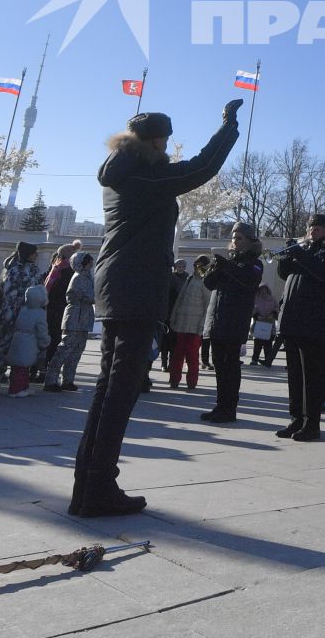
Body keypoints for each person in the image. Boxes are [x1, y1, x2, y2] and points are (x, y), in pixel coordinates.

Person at [69, 101, 242, 518]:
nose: (166, 148)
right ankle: (98, 488)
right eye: (164, 140)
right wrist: (227, 128)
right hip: (136, 285)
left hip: (116, 285)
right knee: (120, 392)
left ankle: (89, 485)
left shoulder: (121, 172)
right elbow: (200, 169)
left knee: (109, 390)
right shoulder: (145, 174)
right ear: (154, 141)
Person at [275, 214, 325, 441]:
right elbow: (285, 274)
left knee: (311, 377)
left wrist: (301, 255)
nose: (313, 230)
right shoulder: (304, 249)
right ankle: (296, 418)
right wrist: (285, 258)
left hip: (313, 321)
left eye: (318, 227)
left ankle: (311, 423)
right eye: (311, 227)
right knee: (294, 374)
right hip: (293, 318)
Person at [200, 226, 264, 422]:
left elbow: (247, 280)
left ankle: (229, 409)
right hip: (218, 320)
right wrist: (216, 267)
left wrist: (227, 266)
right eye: (234, 237)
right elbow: (209, 284)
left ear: (250, 241)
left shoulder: (254, 263)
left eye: (240, 238)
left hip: (235, 321)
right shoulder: (229, 261)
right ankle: (220, 406)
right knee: (219, 366)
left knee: (230, 367)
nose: (235, 241)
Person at [0, 240, 41, 387]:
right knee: (12, 346)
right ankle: (6, 380)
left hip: (12, 313)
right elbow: (33, 293)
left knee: (10, 346)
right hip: (18, 313)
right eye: (35, 253)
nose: (37, 256)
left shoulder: (16, 269)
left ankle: (4, 381)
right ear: (28, 254)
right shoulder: (25, 270)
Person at [45, 253, 96, 392]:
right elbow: (87, 296)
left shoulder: (87, 277)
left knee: (77, 350)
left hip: (83, 318)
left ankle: (68, 380)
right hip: (74, 317)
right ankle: (50, 380)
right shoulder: (78, 277)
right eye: (89, 261)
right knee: (65, 348)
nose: (91, 263)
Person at [167, 258, 210, 390]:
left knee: (192, 357)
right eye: (196, 265)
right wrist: (173, 317)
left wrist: (202, 325)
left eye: (201, 266)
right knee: (177, 355)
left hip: (195, 326)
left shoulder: (207, 282)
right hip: (182, 324)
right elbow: (180, 300)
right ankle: (174, 380)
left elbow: (207, 305)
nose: (198, 268)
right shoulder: (189, 279)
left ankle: (191, 382)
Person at [5, 285, 50, 397]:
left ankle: (19, 388)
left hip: (17, 338)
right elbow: (42, 330)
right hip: (30, 341)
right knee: (23, 368)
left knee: (17, 367)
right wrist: (45, 341)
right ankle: (18, 389)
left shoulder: (23, 309)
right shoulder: (40, 313)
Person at [250, 284, 277, 365]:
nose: (263, 292)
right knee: (257, 344)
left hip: (269, 324)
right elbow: (252, 308)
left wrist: (272, 314)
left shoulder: (272, 299)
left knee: (268, 344)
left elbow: (276, 308)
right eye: (261, 290)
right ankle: (254, 359)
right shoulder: (256, 299)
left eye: (265, 290)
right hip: (258, 324)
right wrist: (257, 316)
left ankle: (268, 360)